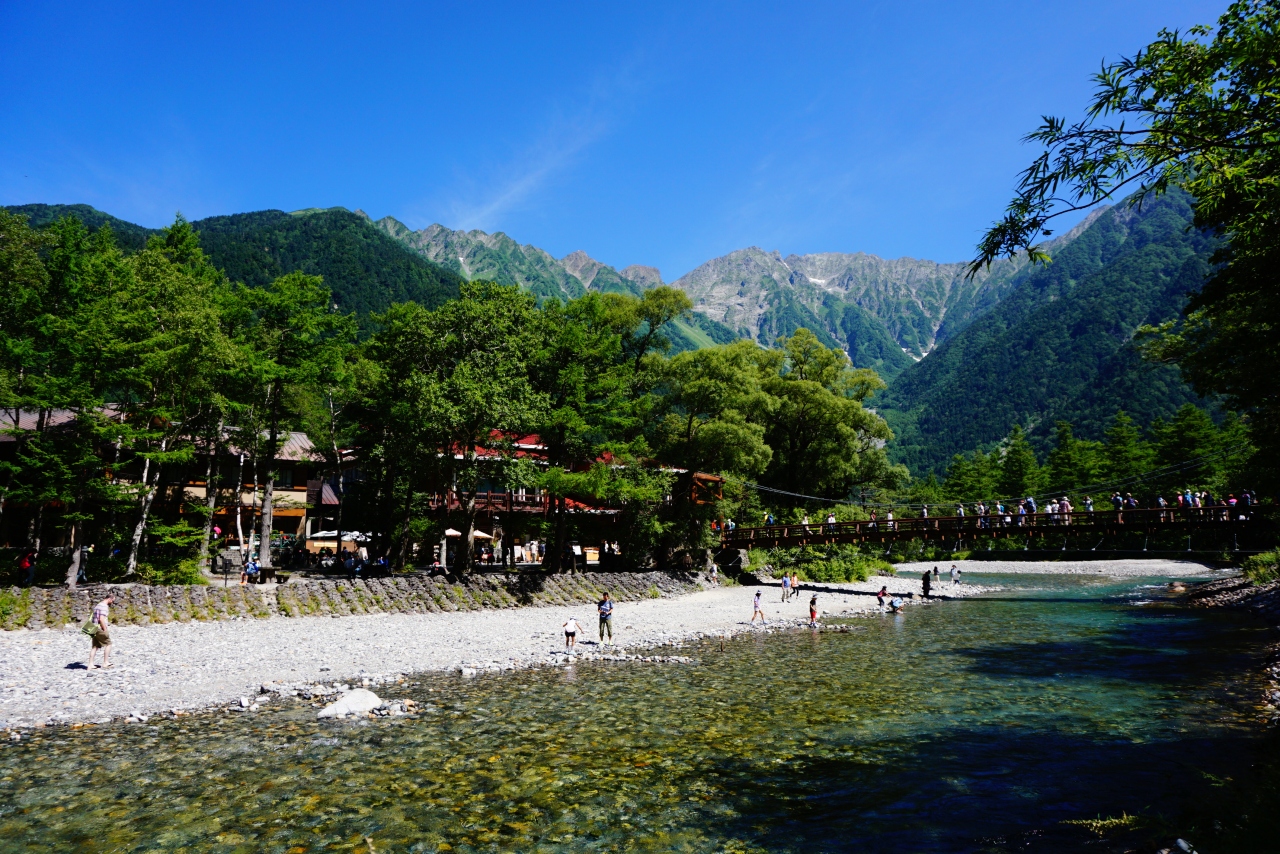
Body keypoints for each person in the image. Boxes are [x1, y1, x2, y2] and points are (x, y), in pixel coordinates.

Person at [87, 594, 114, 669]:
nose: (112, 602)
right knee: (108, 644)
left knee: (95, 646)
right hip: (99, 628)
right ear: (109, 599)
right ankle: (105, 662)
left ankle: (90, 664)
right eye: (112, 600)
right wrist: (105, 629)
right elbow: (101, 619)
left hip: (93, 627)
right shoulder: (104, 606)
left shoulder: (98, 605)